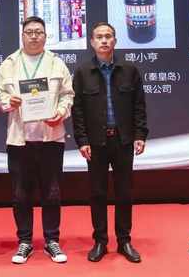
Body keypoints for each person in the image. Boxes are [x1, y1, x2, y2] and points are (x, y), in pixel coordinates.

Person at [0, 16, 74, 264]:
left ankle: (52, 240)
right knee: (20, 194)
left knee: (52, 192)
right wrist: (9, 102)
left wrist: (61, 112)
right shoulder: (9, 64)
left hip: (51, 138)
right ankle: (25, 241)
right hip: (19, 140)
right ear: (22, 35)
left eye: (38, 32)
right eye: (29, 32)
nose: (34, 36)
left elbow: (68, 95)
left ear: (45, 36)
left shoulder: (57, 63)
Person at [71, 22, 148, 263]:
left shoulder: (129, 70)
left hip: (123, 141)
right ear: (92, 42)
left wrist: (140, 134)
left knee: (124, 192)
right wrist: (82, 140)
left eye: (108, 36)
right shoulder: (82, 72)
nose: (104, 41)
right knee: (97, 193)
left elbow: (139, 106)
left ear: (115, 41)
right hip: (96, 143)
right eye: (99, 37)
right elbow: (77, 110)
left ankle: (124, 241)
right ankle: (100, 241)